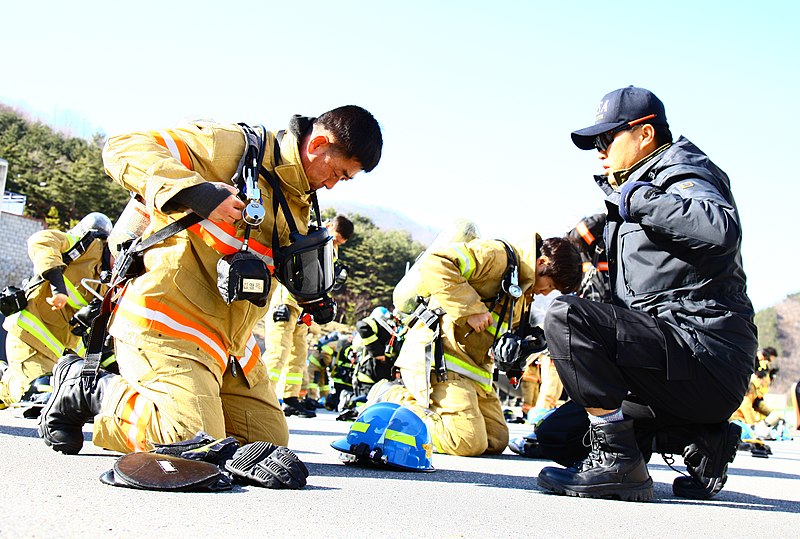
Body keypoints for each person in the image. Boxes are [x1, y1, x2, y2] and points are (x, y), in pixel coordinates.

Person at [39, 106, 383, 454]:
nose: (333, 185)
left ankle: (185, 410)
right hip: (169, 324)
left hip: (229, 345)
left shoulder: (301, 198)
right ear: (319, 143)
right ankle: (88, 388)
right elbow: (122, 147)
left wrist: (312, 294)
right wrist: (195, 192)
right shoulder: (233, 148)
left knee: (268, 443)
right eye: (339, 173)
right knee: (190, 441)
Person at [536, 86, 757, 502]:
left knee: (565, 315)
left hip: (703, 353)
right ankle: (704, 436)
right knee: (557, 438)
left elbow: (719, 227)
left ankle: (620, 468)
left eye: (606, 139)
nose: (599, 151)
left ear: (644, 134)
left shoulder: (681, 169)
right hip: (671, 366)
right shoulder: (636, 191)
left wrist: (638, 196)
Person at [374, 234, 581, 456]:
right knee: (464, 441)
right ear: (543, 263)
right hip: (439, 360)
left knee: (495, 440)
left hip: (472, 370)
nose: (545, 293)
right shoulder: (497, 256)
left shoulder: (522, 288)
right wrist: (471, 310)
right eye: (549, 286)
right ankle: (390, 396)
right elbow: (435, 262)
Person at [1, 213, 112, 414]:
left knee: (72, 402)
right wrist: (56, 286)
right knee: (39, 394)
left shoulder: (108, 277)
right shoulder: (82, 245)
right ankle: (6, 381)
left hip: (63, 351)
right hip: (31, 337)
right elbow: (40, 240)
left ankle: (10, 380)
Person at [262, 214, 353, 418]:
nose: (337, 243)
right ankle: (261, 397)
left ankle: (290, 399)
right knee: (278, 352)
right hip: (286, 302)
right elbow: (290, 267)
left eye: (340, 242)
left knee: (298, 354)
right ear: (329, 225)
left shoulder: (331, 248)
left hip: (304, 307)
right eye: (337, 238)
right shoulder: (310, 236)